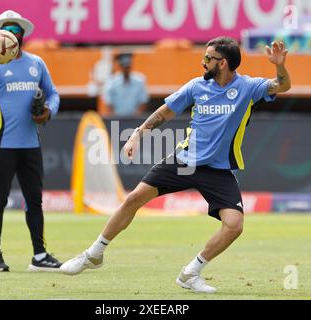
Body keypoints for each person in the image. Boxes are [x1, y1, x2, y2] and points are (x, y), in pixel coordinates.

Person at [61, 37, 291, 293]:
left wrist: (280, 67)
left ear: (223, 63)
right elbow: (164, 112)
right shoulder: (196, 87)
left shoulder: (248, 87)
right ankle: (93, 255)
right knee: (133, 198)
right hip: (185, 161)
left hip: (219, 170)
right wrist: (138, 133)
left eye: (208, 58)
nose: (202, 62)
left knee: (234, 225)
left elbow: (281, 85)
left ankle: (190, 273)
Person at [0, 10, 62, 273]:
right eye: (8, 31)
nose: (13, 35)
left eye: (17, 31)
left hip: (30, 144)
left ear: (23, 35)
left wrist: (48, 111)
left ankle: (40, 255)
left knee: (34, 200)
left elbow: (54, 94)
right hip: (2, 144)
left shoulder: (37, 63)